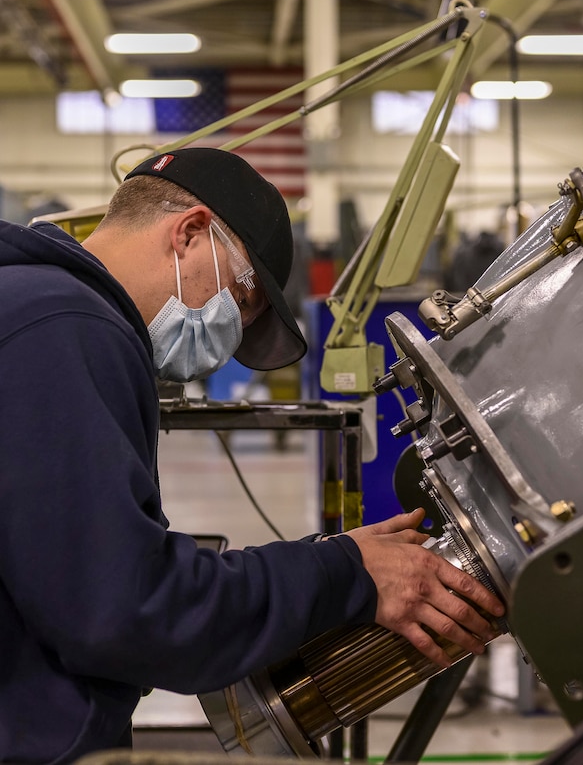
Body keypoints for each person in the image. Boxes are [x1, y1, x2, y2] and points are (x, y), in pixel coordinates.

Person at [0, 147, 504, 763]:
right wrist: (344, 573)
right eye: (241, 301)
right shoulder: (65, 325)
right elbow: (128, 607)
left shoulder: (31, 307)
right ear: (188, 233)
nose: (227, 339)